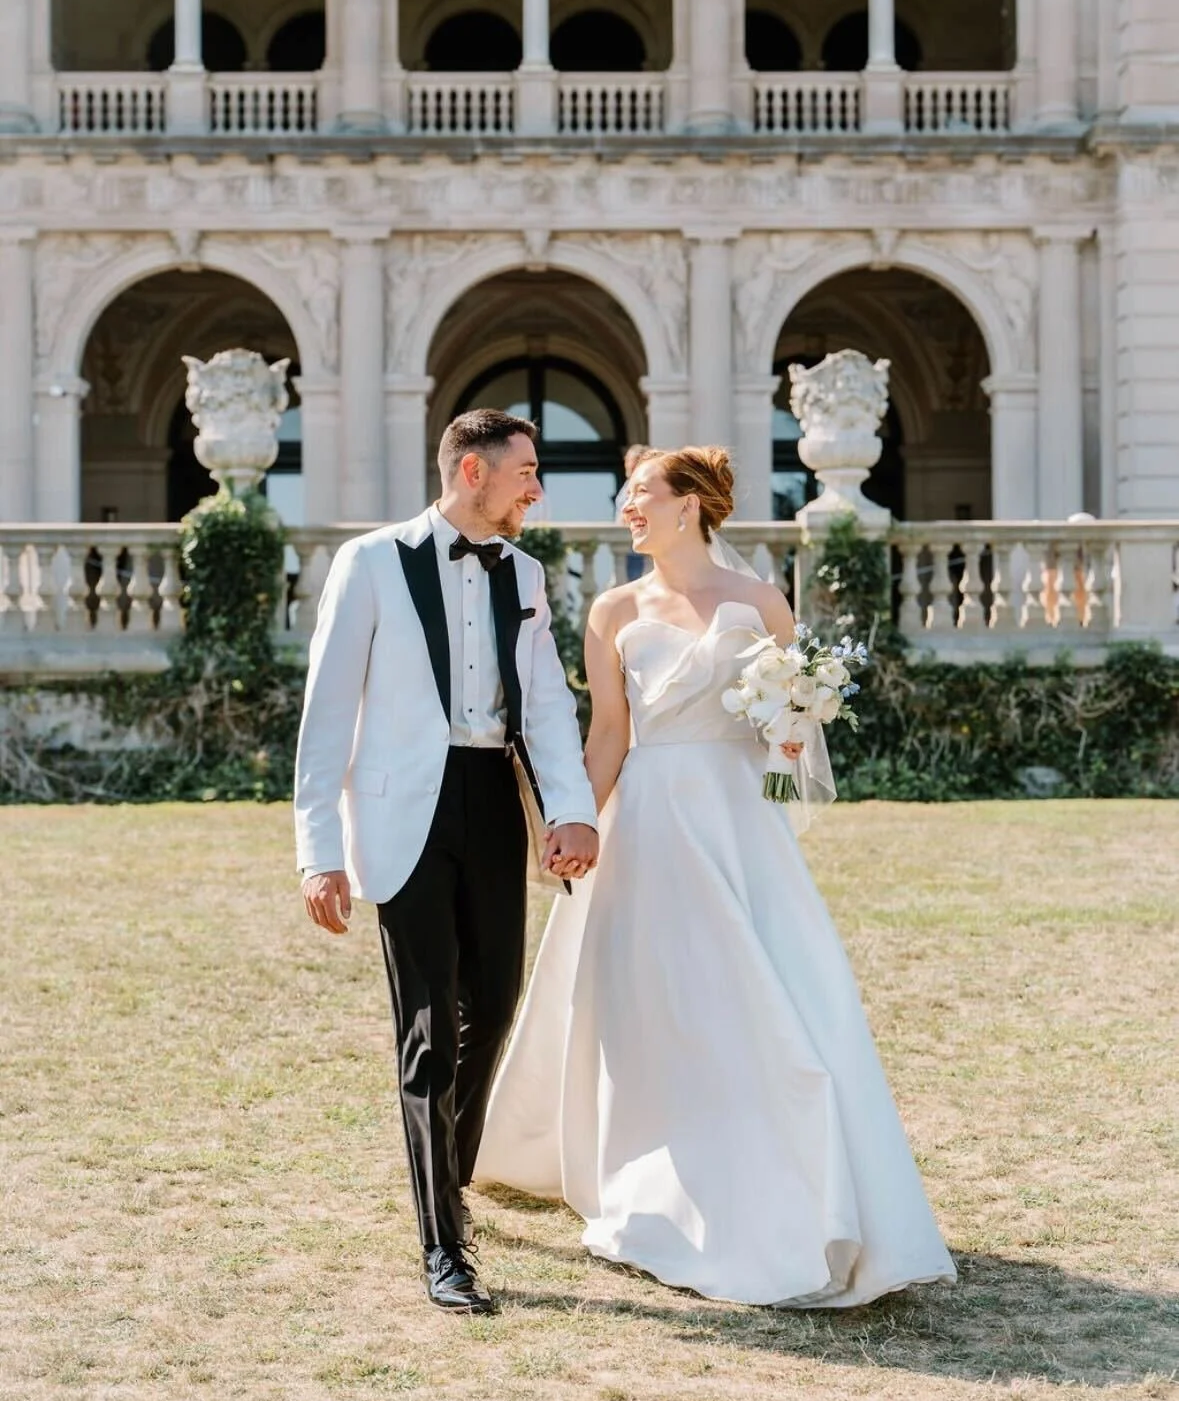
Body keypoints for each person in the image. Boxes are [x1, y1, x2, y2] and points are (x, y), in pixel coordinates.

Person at [476, 446, 956, 1307]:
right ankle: (660, 1170)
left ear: (691, 504)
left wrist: (790, 734)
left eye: (641, 493)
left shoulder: (761, 600)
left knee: (768, 1000)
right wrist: (570, 821)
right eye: (626, 493)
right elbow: (610, 732)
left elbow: (791, 732)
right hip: (650, 825)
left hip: (739, 825)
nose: (627, 506)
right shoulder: (613, 610)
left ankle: (791, 1184)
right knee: (657, 1003)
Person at [295, 409, 598, 1316]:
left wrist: (570, 811)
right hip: (401, 813)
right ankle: (443, 1244)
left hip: (490, 802)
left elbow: (544, 703)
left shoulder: (527, 574)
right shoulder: (372, 561)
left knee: (494, 1004)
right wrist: (318, 850)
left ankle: (448, 1169)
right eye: (526, 472)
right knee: (429, 1023)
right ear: (473, 470)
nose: (537, 487)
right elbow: (326, 710)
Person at [615, 443, 648, 583]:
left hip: (636, 550)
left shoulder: (641, 486)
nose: (627, 464)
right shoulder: (628, 485)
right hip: (625, 548)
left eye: (631, 460)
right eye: (627, 460)